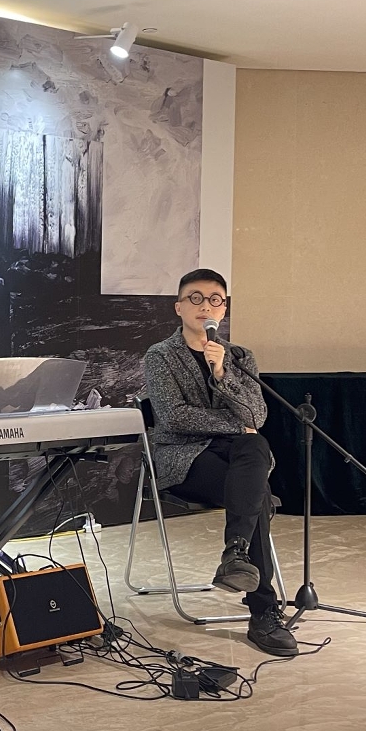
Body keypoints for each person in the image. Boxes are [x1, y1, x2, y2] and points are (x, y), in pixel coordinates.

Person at [143, 268, 296, 657]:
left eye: (215, 300)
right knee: (256, 492)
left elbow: (257, 415)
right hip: (184, 457)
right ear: (179, 307)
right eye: (195, 298)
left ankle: (236, 554)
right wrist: (235, 424)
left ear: (223, 309)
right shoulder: (160, 356)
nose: (205, 306)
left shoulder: (240, 356)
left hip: (239, 454)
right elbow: (174, 417)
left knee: (255, 444)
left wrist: (223, 372)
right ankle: (263, 611)